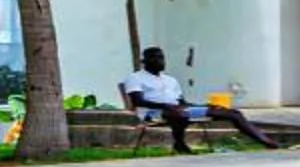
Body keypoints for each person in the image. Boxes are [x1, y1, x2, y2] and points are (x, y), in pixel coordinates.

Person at [116, 49, 280, 153]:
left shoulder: (171, 80)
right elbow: (138, 101)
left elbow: (182, 101)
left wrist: (204, 106)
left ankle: (266, 141)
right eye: (154, 58)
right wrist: (167, 106)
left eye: (161, 57)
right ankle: (179, 143)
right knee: (177, 113)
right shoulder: (135, 78)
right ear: (144, 61)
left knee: (232, 113)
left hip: (177, 109)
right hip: (152, 113)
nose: (160, 61)